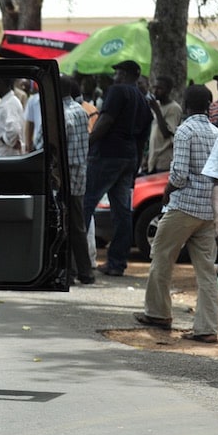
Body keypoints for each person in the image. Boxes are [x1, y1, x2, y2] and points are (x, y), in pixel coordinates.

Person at [135, 85, 218, 343]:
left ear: (185, 105)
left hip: (183, 208)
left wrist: (167, 191)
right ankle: (207, 328)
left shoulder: (185, 131)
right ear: (208, 105)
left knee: (161, 256)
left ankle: (159, 313)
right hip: (209, 211)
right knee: (206, 272)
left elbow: (179, 175)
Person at [82, 60, 148, 277]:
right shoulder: (142, 98)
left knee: (86, 203)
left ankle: (78, 260)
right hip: (129, 157)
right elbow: (142, 137)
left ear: (130, 74)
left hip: (108, 155)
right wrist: (135, 165)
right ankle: (117, 263)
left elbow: (105, 122)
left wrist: (87, 144)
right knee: (122, 212)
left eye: (119, 72)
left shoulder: (118, 91)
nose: (115, 77)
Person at [60, 75, 94, 285]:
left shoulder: (63, 114)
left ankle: (70, 271)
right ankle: (84, 271)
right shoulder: (80, 111)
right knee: (77, 225)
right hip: (79, 174)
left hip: (66, 175)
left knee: (66, 225)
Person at [144, 75, 184, 174]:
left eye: (160, 88)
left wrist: (157, 111)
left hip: (164, 160)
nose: (156, 91)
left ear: (168, 90)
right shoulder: (157, 106)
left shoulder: (174, 108)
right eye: (155, 87)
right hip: (154, 158)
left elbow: (166, 133)